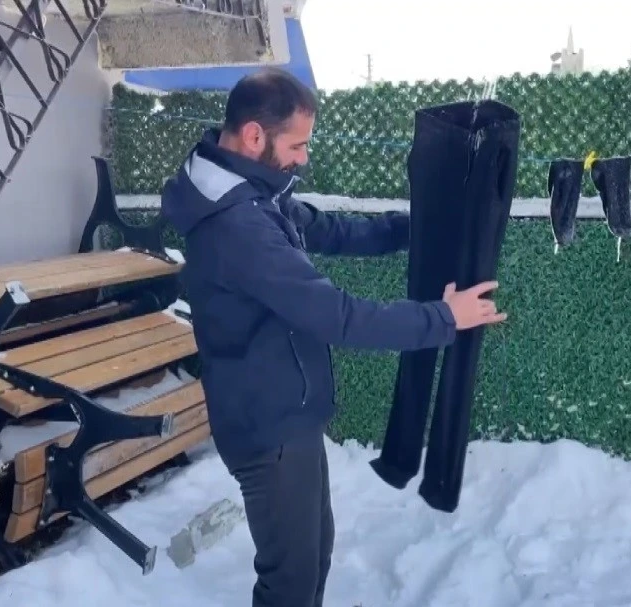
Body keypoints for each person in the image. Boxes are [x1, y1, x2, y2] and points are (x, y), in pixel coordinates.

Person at [159, 67, 507, 607]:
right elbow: (337, 316)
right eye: (297, 145)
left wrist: (424, 226)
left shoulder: (253, 191)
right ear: (254, 135)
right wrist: (444, 317)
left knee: (312, 560)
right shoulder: (237, 225)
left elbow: (334, 231)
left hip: (286, 415)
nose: (303, 158)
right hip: (268, 429)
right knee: (290, 584)